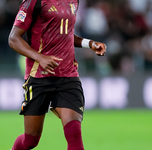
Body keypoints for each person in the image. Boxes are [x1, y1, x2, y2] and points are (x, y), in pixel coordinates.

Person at [8, 0, 106, 149]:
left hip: (68, 76)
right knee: (30, 141)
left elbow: (64, 32)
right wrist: (40, 58)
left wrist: (89, 43)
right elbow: (13, 38)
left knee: (74, 136)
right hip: (39, 77)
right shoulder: (34, 2)